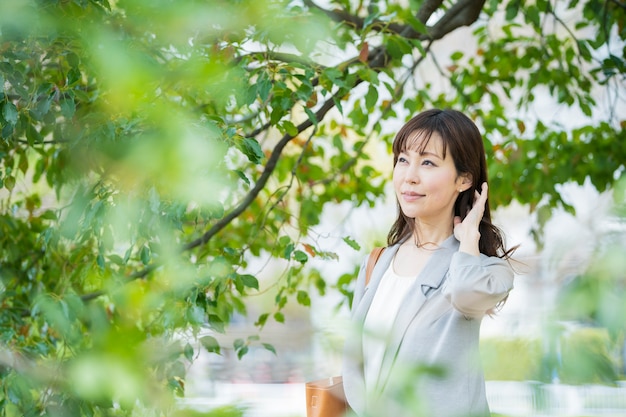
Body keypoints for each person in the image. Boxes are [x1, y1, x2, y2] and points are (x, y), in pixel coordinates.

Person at [342, 109, 516, 417]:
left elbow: (464, 293)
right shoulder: (377, 262)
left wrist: (468, 241)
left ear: (464, 179)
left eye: (428, 163)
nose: (409, 176)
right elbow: (355, 362)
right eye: (402, 160)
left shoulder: (486, 270)